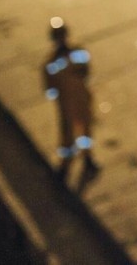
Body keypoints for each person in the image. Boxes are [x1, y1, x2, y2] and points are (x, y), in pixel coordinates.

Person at [43, 16, 100, 183]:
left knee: (85, 131)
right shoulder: (50, 63)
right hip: (67, 104)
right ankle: (65, 167)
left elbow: (87, 72)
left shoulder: (77, 54)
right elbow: (50, 88)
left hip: (81, 101)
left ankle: (87, 158)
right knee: (67, 136)